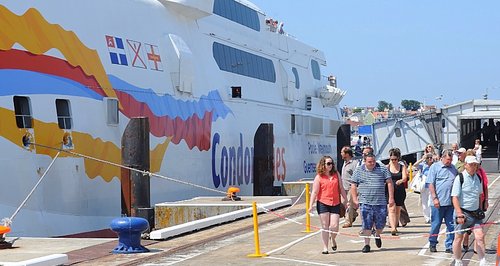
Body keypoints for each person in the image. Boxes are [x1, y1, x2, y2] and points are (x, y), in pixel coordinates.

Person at [351, 153, 394, 253]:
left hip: (380, 202)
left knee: (381, 223)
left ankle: (377, 234)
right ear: (365, 161)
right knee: (366, 224)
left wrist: (391, 198)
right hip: (365, 202)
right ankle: (367, 245)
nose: (372, 163)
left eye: (373, 161)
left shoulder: (382, 169)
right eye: (369, 162)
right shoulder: (358, 170)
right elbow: (353, 185)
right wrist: (355, 199)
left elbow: (389, 182)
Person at [451, 156, 487, 266]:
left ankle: (482, 260)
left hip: (475, 213)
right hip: (463, 212)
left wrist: (480, 210)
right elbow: (455, 197)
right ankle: (457, 259)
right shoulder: (460, 178)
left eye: (475, 165)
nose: (473, 167)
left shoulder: (478, 178)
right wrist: (459, 214)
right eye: (471, 164)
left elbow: (480, 195)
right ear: (466, 165)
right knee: (458, 237)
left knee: (480, 236)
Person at [308, 156, 348, 254]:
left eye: (332, 163)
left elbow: (341, 188)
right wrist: (310, 205)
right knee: (325, 226)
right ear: (323, 165)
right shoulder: (319, 177)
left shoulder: (336, 174)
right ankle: (325, 247)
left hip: (335, 203)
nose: (331, 165)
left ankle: (333, 238)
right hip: (323, 203)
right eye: (328, 163)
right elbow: (314, 192)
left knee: (334, 226)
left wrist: (346, 200)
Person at [426, 149, 457, 253]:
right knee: (436, 224)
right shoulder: (435, 167)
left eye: (451, 159)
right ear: (442, 158)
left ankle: (449, 245)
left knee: (451, 225)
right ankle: (433, 243)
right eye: (448, 159)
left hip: (450, 203)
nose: (449, 162)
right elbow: (430, 184)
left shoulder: (453, 168)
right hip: (438, 203)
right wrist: (435, 198)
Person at [461, 150, 489, 253]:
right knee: (466, 227)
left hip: (478, 201)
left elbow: (485, 186)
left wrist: (485, 200)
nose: (474, 166)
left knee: (479, 229)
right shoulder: (462, 174)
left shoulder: (480, 172)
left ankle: (478, 248)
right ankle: (466, 240)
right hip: (466, 204)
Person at [386, 148, 407, 236]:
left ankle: (395, 224)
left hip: (399, 189)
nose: (393, 161)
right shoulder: (387, 167)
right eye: (392, 159)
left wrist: (401, 181)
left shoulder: (402, 166)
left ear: (398, 158)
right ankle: (393, 228)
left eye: (395, 159)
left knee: (398, 209)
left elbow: (405, 177)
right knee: (391, 208)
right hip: (389, 190)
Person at [413, 153, 435, 223]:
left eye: (430, 157)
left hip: (432, 185)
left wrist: (435, 158)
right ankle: (427, 217)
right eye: (428, 158)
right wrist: (422, 159)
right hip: (424, 185)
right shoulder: (423, 165)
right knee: (425, 202)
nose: (429, 159)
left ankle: (431, 217)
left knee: (430, 202)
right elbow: (415, 165)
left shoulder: (435, 165)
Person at [340, 146, 358, 228]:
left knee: (349, 204)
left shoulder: (354, 163)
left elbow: (357, 175)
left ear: (347, 154)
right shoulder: (344, 163)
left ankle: (348, 221)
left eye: (342, 152)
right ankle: (354, 213)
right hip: (344, 187)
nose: (341, 154)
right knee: (343, 204)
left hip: (351, 187)